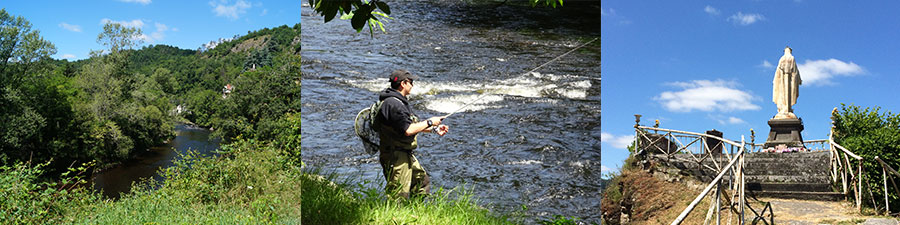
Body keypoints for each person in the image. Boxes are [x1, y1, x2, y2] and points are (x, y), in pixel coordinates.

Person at [375, 69, 449, 199]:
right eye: (411, 82)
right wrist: (430, 122)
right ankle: (394, 218)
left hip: (405, 153)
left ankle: (414, 214)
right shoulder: (393, 104)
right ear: (403, 84)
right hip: (396, 156)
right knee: (398, 194)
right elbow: (407, 130)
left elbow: (406, 126)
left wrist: (433, 129)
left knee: (422, 182)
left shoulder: (398, 102)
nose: (413, 85)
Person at [772, 46, 802, 119]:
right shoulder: (791, 58)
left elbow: (777, 72)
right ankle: (786, 109)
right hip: (787, 81)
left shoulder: (782, 59)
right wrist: (799, 79)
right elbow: (795, 71)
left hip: (786, 81)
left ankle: (785, 108)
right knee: (786, 94)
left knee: (785, 94)